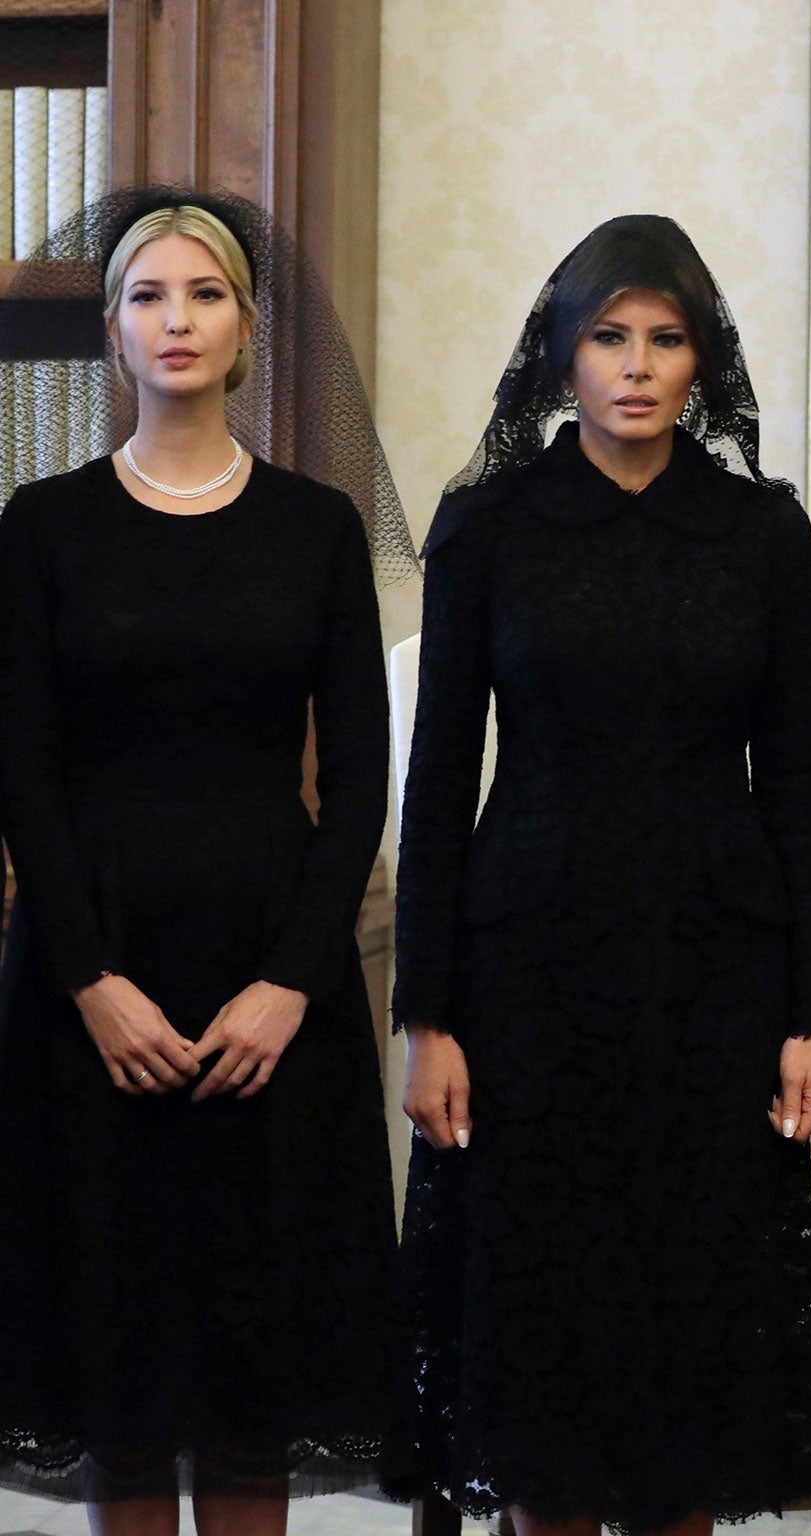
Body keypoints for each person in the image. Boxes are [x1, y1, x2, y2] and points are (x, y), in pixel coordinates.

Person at [386, 214, 811, 1536]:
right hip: (527, 979)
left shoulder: (758, 528)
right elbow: (435, 780)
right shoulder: (492, 523)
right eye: (609, 335)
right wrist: (427, 1016)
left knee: (687, 1365)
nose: (636, 366)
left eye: (666, 337)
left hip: (717, 981)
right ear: (563, 355)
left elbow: (798, 779)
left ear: (702, 362)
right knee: (544, 1363)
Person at [0, 189, 412, 1532]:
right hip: (90, 996)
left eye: (205, 295)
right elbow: (21, 775)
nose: (176, 320)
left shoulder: (315, 525)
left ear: (245, 327)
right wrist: (89, 983)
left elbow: (357, 783)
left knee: (255, 1397)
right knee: (120, 1394)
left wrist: (294, 984)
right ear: (114, 332)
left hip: (270, 995)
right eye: (146, 297)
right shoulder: (44, 525)